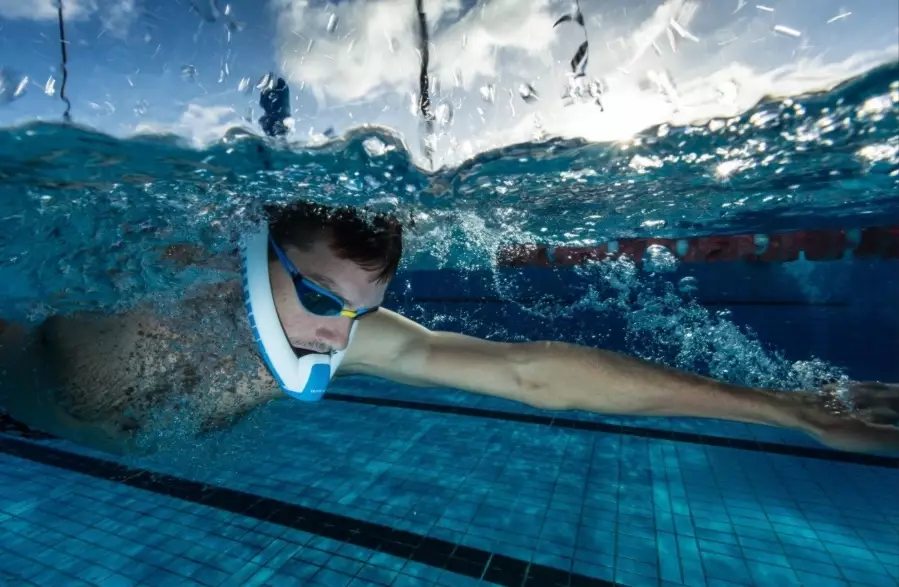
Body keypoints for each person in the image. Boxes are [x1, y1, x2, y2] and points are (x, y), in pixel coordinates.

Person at [0, 199, 897, 456]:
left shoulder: (342, 332)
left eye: (362, 307)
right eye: (320, 297)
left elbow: (524, 373)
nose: (341, 333)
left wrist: (787, 411)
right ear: (242, 254)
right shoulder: (135, 274)